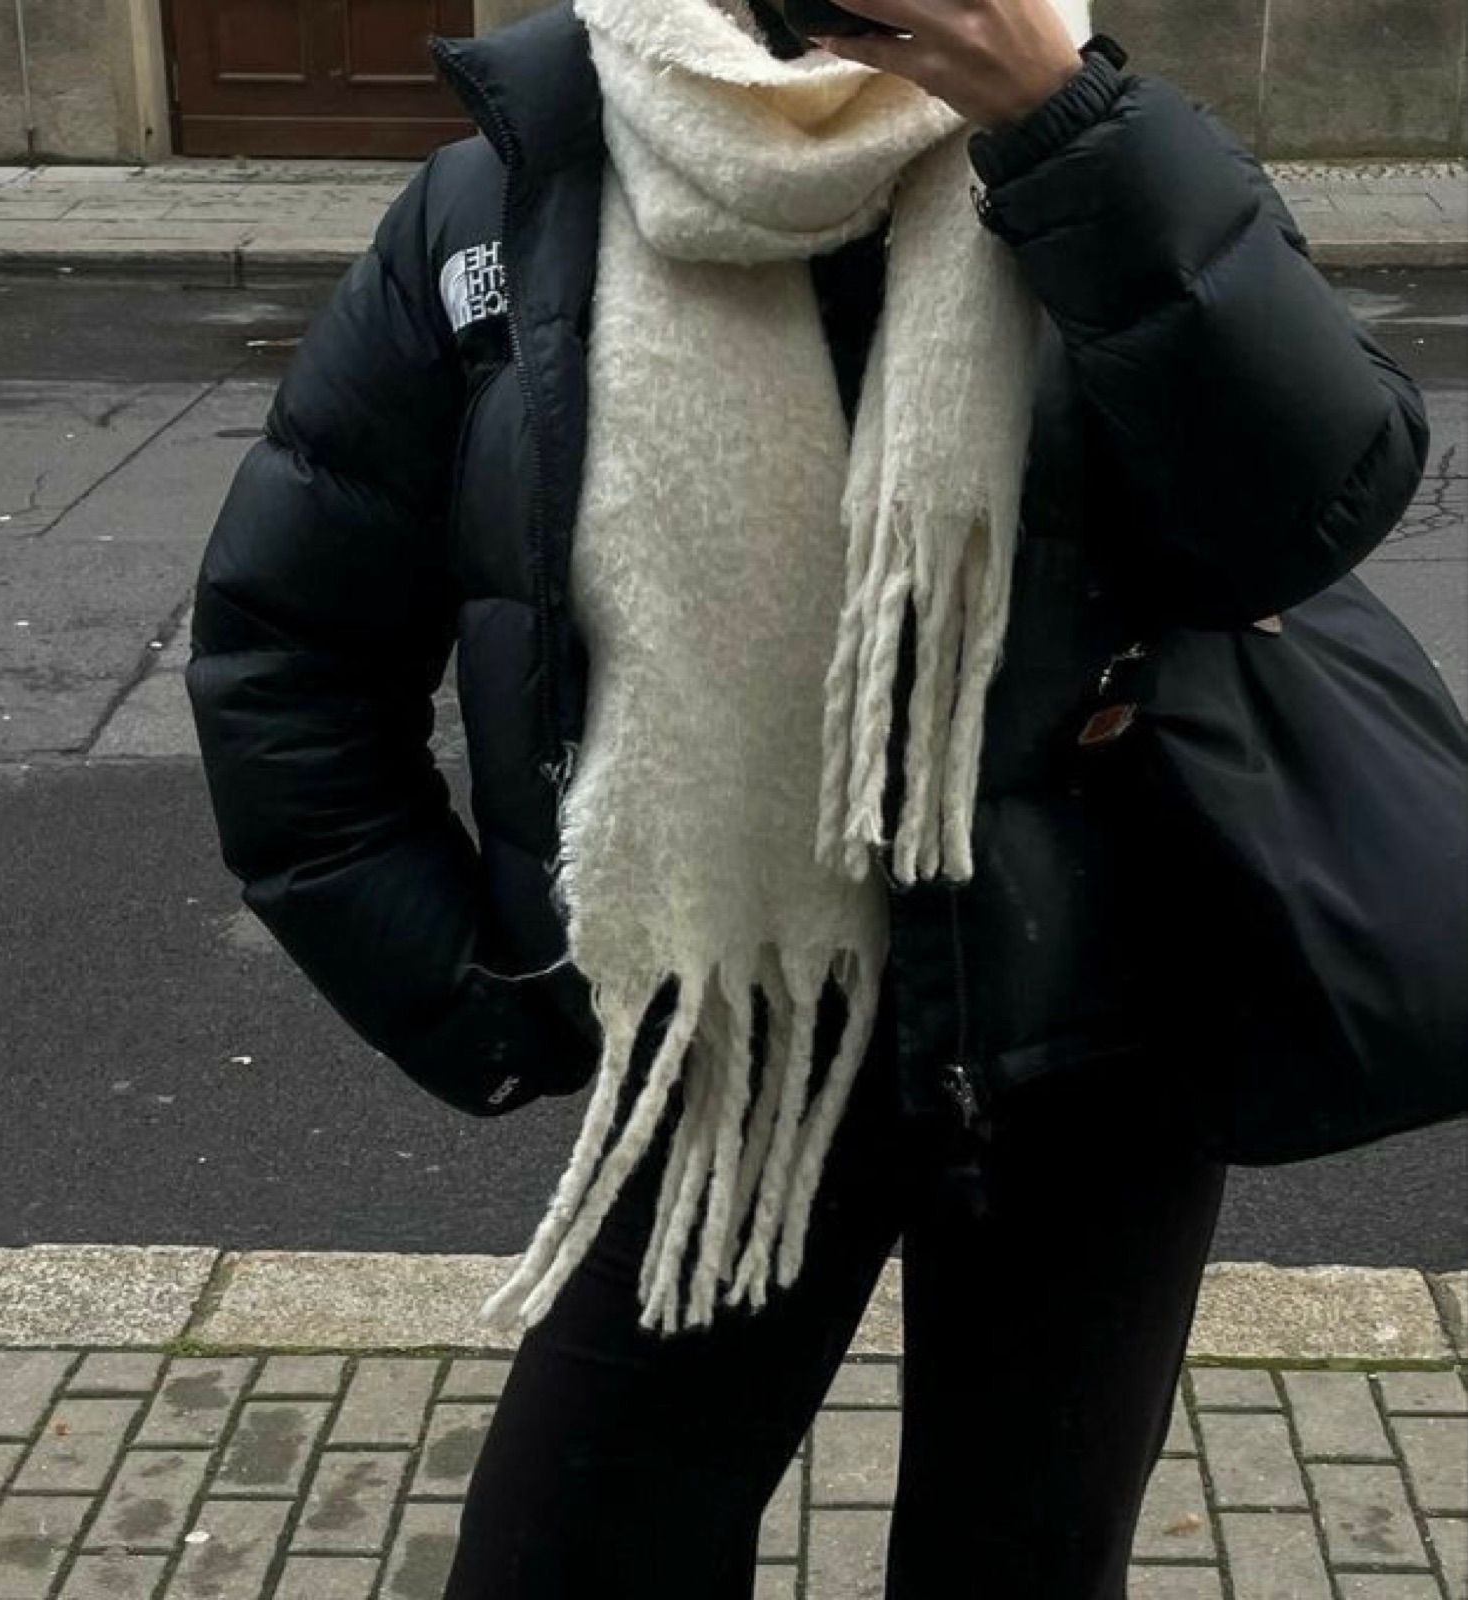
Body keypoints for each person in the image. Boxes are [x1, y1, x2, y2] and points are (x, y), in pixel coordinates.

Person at [183, 0, 1429, 1591]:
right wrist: (471, 994)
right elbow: (291, 645)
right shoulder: (506, 193)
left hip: (1090, 1037)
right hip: (729, 1043)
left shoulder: (1101, 139)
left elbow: (1307, 510)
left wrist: (1063, 124)